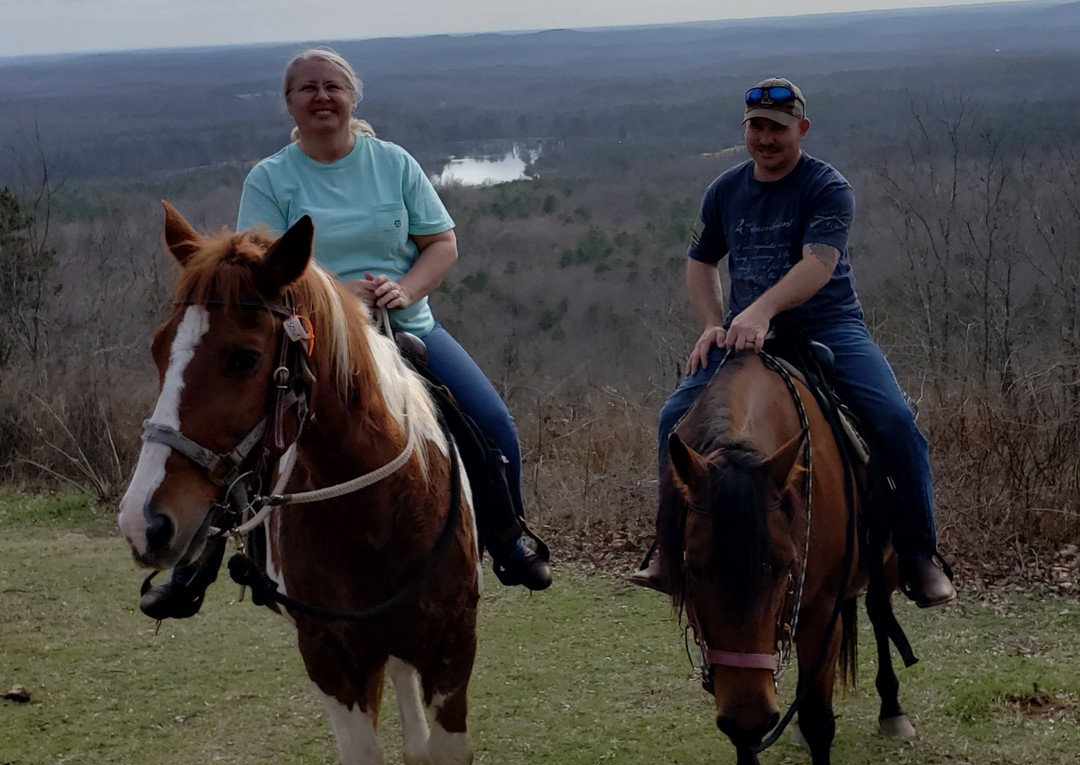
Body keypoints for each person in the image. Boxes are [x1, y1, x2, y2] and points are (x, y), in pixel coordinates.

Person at [141, 47, 550, 619]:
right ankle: (194, 565)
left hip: (407, 328)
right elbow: (255, 274)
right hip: (314, 344)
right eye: (306, 89)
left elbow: (442, 244)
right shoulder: (271, 177)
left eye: (332, 86)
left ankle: (506, 541)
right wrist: (336, 297)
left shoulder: (395, 163)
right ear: (290, 104)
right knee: (236, 437)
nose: (321, 97)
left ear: (352, 97)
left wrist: (404, 289)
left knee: (493, 424)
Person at [630, 77, 955, 608]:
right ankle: (670, 552)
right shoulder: (724, 191)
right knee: (673, 420)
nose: (766, 138)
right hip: (744, 335)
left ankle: (919, 554)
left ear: (799, 129)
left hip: (828, 327)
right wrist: (714, 321)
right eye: (756, 127)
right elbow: (700, 261)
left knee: (896, 422)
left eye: (777, 128)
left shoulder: (826, 186)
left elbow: (818, 263)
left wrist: (762, 308)